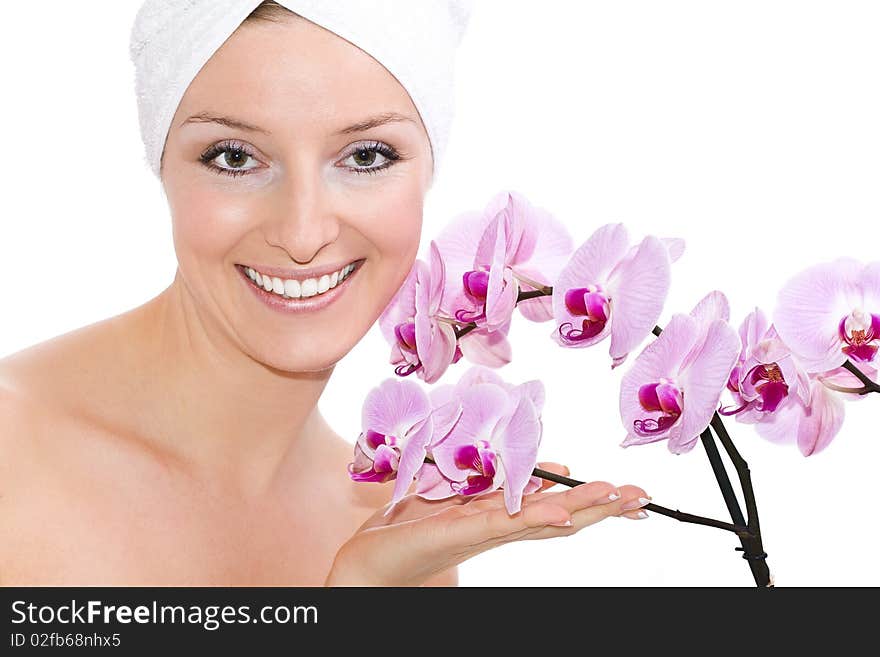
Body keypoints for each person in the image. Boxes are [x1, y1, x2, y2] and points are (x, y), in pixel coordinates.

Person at [0, 0, 651, 587]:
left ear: (430, 167)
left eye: (366, 156)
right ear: (160, 161)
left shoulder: (402, 536)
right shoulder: (14, 453)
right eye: (233, 157)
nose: (303, 232)